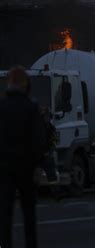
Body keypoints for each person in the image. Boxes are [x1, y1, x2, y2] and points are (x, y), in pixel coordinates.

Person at [0, 66, 46, 248]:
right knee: (29, 214)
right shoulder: (31, 107)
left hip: (4, 167)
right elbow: (38, 138)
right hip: (27, 166)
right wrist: (39, 165)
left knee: (5, 214)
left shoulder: (1, 107)